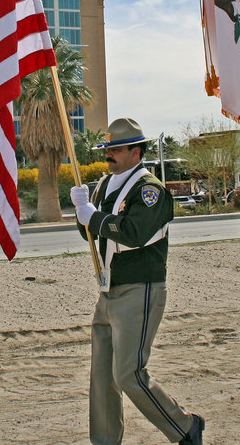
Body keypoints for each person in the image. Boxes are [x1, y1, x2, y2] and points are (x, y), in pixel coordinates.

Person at [70, 117, 205, 445]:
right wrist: (81, 212)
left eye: (116, 148)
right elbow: (92, 235)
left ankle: (184, 427)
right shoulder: (105, 186)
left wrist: (94, 217)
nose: (109, 154)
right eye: (107, 148)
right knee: (102, 377)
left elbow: (134, 233)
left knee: (128, 373)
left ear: (136, 151)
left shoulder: (149, 190)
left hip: (140, 288)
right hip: (109, 291)